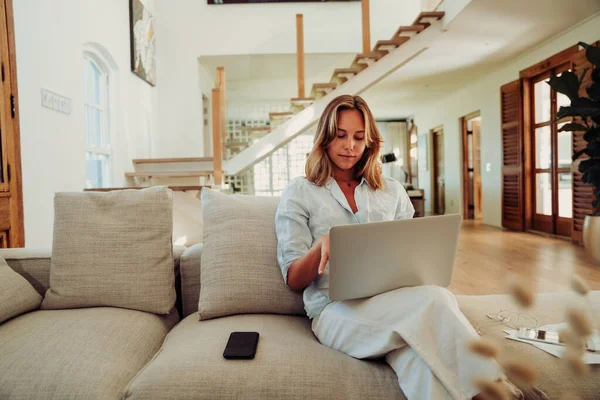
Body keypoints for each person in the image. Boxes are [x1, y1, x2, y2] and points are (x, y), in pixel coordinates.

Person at [274, 95, 529, 400]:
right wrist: (321, 246)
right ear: (325, 138)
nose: (350, 146)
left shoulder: (391, 191)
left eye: (359, 137)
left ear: (370, 142)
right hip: (334, 312)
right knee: (435, 300)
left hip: (397, 302)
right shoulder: (300, 192)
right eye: (341, 135)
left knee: (419, 359)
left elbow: (414, 255)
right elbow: (293, 278)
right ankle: (500, 393)